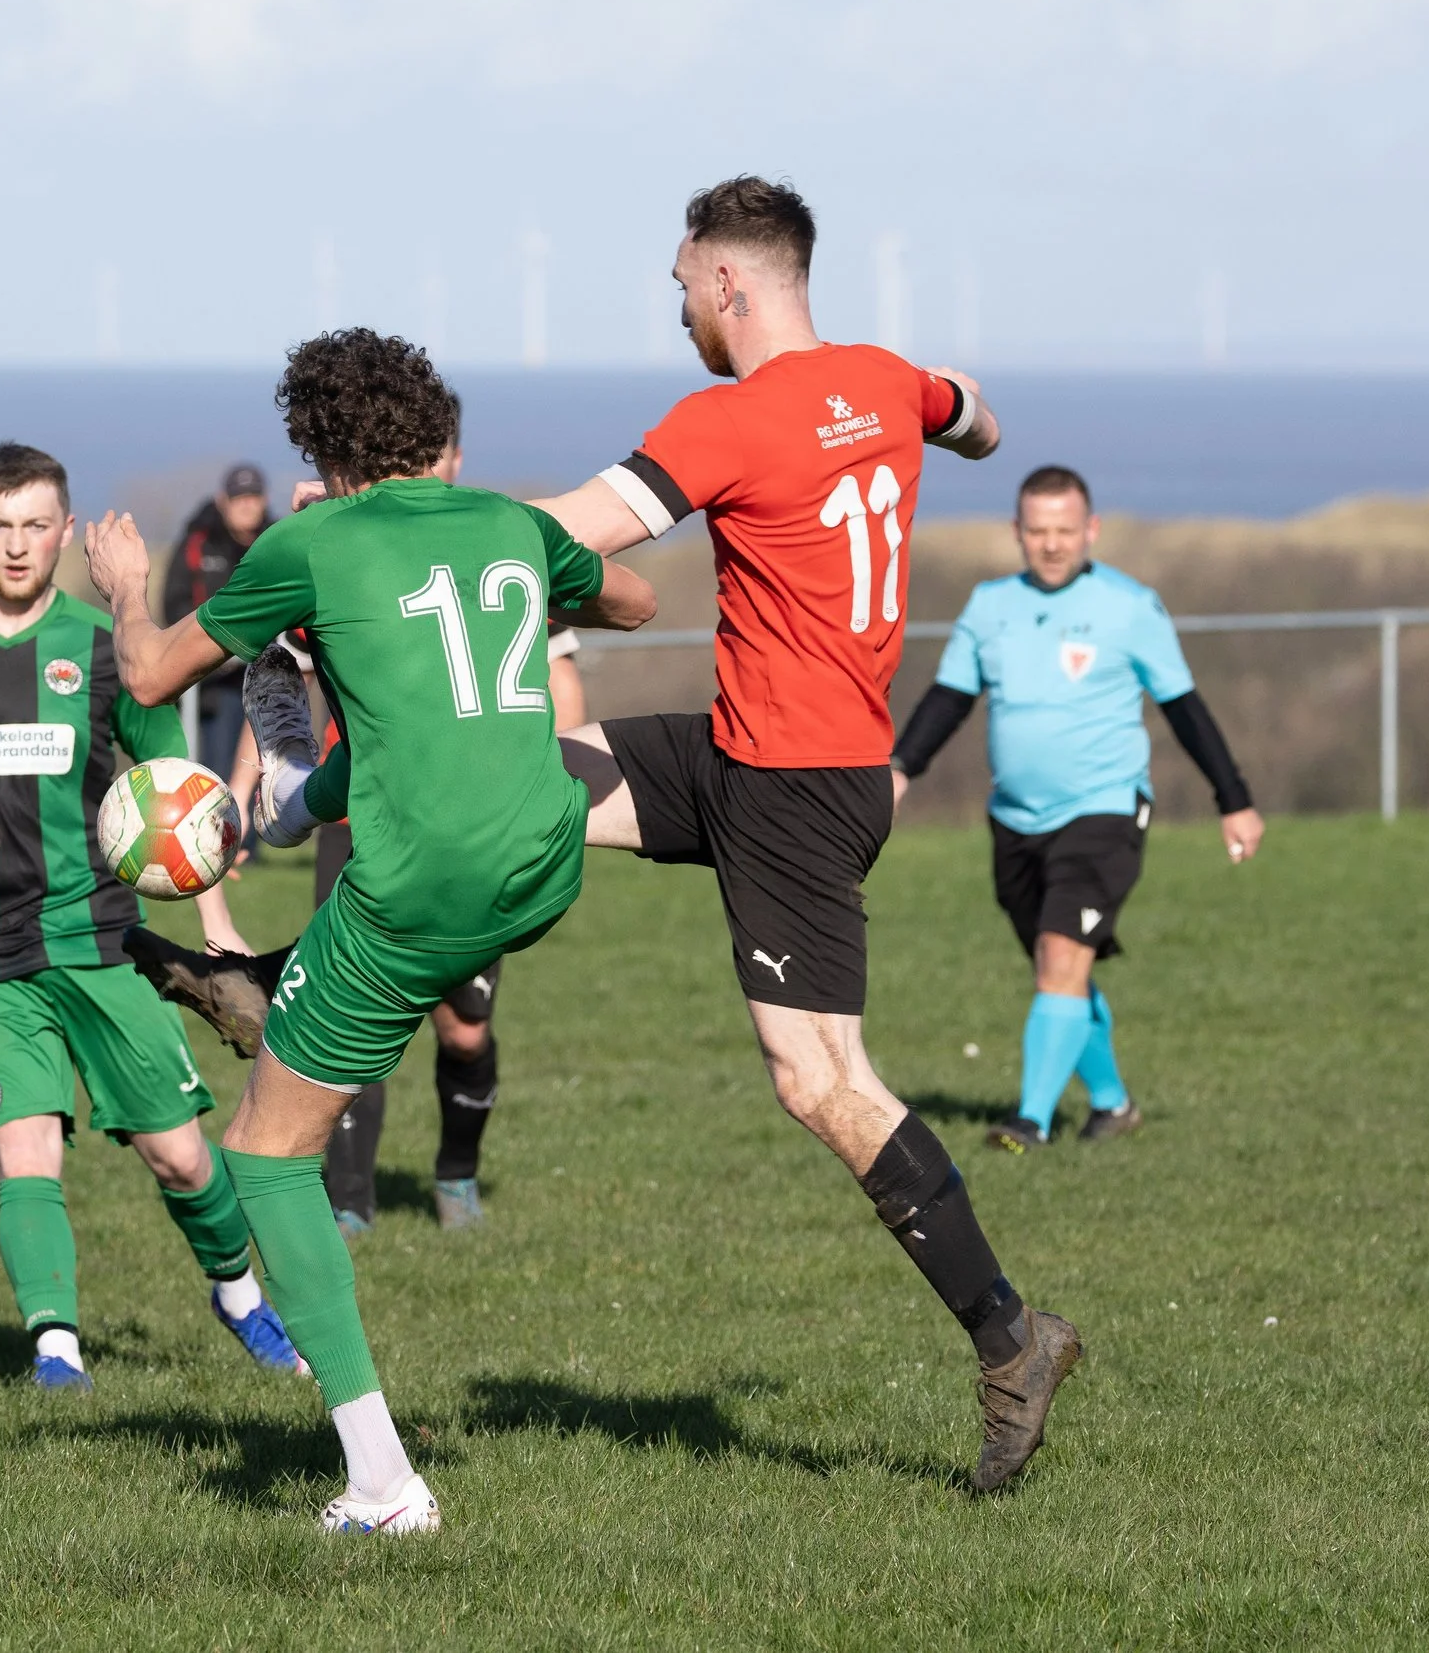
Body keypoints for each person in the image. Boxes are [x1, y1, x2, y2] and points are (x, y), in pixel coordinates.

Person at [525, 176, 1081, 1494]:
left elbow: (567, 532)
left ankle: (1012, 1336)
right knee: (527, 786)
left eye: (681, 287)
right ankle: (307, 984)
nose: (678, 314)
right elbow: (982, 420)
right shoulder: (890, 381)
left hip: (792, 787)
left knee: (821, 1079)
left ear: (729, 282)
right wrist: (956, 415)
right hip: (746, 747)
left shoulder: (729, 418)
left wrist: (395, 532)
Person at [85, 330, 657, 1535]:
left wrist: (125, 587)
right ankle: (287, 853)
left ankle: (383, 1485)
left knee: (264, 1155)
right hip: (542, 860)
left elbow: (144, 679)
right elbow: (634, 597)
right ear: (433, 433)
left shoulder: (312, 541)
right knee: (332, 798)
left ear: (323, 451)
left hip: (418, 886)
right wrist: (538, 579)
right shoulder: (509, 520)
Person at [0, 441, 303, 1393]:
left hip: (101, 943)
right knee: (28, 1149)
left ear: (65, 530)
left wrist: (216, 928)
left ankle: (240, 1297)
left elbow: (177, 806)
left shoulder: (105, 652)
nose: (17, 547)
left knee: (180, 1157)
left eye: (36, 526)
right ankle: (56, 1351)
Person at [236, 404, 593, 1239]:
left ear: (457, 458)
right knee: (357, 1006)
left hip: (476, 818)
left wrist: (547, 772)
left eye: (432, 454)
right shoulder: (338, 547)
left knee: (466, 1029)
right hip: (359, 809)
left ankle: (456, 1175)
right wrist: (250, 785)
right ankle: (350, 1202)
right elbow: (276, 665)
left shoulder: (502, 547)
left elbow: (563, 676)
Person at [888, 464, 1265, 1150]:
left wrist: (1233, 800)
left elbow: (1185, 709)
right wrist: (900, 768)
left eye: (1066, 530)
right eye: (1038, 531)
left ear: (1091, 530)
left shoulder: (1130, 606)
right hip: (1014, 819)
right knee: (1059, 970)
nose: (1053, 544)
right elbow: (949, 698)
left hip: (1105, 812)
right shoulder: (990, 605)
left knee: (1063, 955)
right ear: (1017, 532)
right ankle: (1114, 1106)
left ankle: (1028, 1121)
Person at [161, 463, 273, 779]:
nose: (247, 505)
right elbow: (175, 605)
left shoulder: (276, 542)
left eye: (253, 496)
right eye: (240, 497)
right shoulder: (198, 542)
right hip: (213, 687)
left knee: (266, 778)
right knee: (218, 776)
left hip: (270, 684)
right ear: (224, 500)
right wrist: (214, 649)